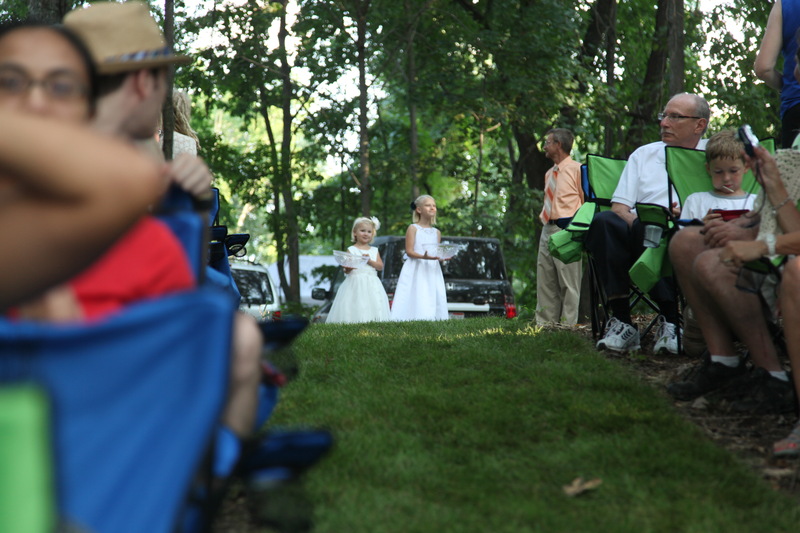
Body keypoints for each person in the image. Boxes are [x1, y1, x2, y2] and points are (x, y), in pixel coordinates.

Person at [62, 1, 262, 440]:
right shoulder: (128, 173)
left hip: (48, 363)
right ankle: (213, 459)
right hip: (122, 348)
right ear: (143, 83)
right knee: (242, 335)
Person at [0, 22, 163, 311]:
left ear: (89, 112)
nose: (36, 103)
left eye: (62, 87)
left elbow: (129, 178)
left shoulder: (152, 244)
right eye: (9, 83)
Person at [667, 143, 795, 416]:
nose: (726, 178)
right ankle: (723, 361)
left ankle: (773, 376)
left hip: (785, 252)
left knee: (712, 263)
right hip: (774, 232)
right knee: (684, 242)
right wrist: (741, 225)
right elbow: (774, 208)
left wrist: (754, 239)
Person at [585, 92, 710, 354]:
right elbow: (620, 208)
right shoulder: (644, 154)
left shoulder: (714, 156)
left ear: (699, 125)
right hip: (639, 232)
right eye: (664, 115)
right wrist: (642, 221)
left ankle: (671, 321)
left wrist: (686, 213)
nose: (664, 123)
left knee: (655, 227)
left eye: (675, 117)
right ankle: (622, 322)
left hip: (691, 237)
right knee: (604, 220)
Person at [535, 128, 583, 326]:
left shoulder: (578, 169)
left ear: (559, 145)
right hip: (547, 227)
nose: (544, 147)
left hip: (567, 229)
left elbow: (585, 201)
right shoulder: (550, 173)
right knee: (545, 278)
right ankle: (545, 325)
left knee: (569, 280)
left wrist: (577, 230)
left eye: (548, 142)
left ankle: (567, 326)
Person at [390, 195, 448, 321]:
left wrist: (442, 257)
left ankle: (432, 318)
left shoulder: (437, 232)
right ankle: (411, 318)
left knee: (431, 292)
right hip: (416, 267)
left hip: (431, 268)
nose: (432, 208)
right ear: (419, 209)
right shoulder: (413, 228)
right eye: (428, 205)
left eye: (434, 206)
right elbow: (409, 251)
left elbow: (436, 252)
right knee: (416, 292)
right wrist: (423, 257)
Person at [679, 130, 757, 223]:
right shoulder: (695, 201)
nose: (726, 178)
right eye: (718, 172)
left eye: (733, 171)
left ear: (746, 166)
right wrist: (702, 226)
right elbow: (683, 232)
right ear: (708, 169)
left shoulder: (757, 203)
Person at [326, 216, 391, 324]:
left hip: (372, 283)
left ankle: (373, 323)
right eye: (362, 231)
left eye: (369, 232)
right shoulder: (351, 250)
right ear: (355, 232)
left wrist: (369, 261)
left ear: (373, 234)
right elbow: (346, 270)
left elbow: (380, 266)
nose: (366, 234)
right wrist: (350, 267)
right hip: (355, 282)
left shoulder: (374, 250)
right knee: (356, 303)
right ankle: (354, 322)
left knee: (373, 303)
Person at [755, 0, 800, 147]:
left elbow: (763, 68)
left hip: (795, 107)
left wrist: (787, 85)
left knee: (794, 162)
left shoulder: (786, 4)